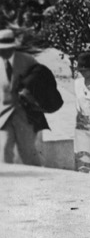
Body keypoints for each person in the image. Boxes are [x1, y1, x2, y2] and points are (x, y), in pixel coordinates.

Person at [0, 28, 61, 165]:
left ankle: (37, 184)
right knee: (4, 152)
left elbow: (42, 78)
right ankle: (6, 186)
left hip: (25, 115)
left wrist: (31, 93)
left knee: (28, 153)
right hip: (2, 116)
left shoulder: (27, 60)